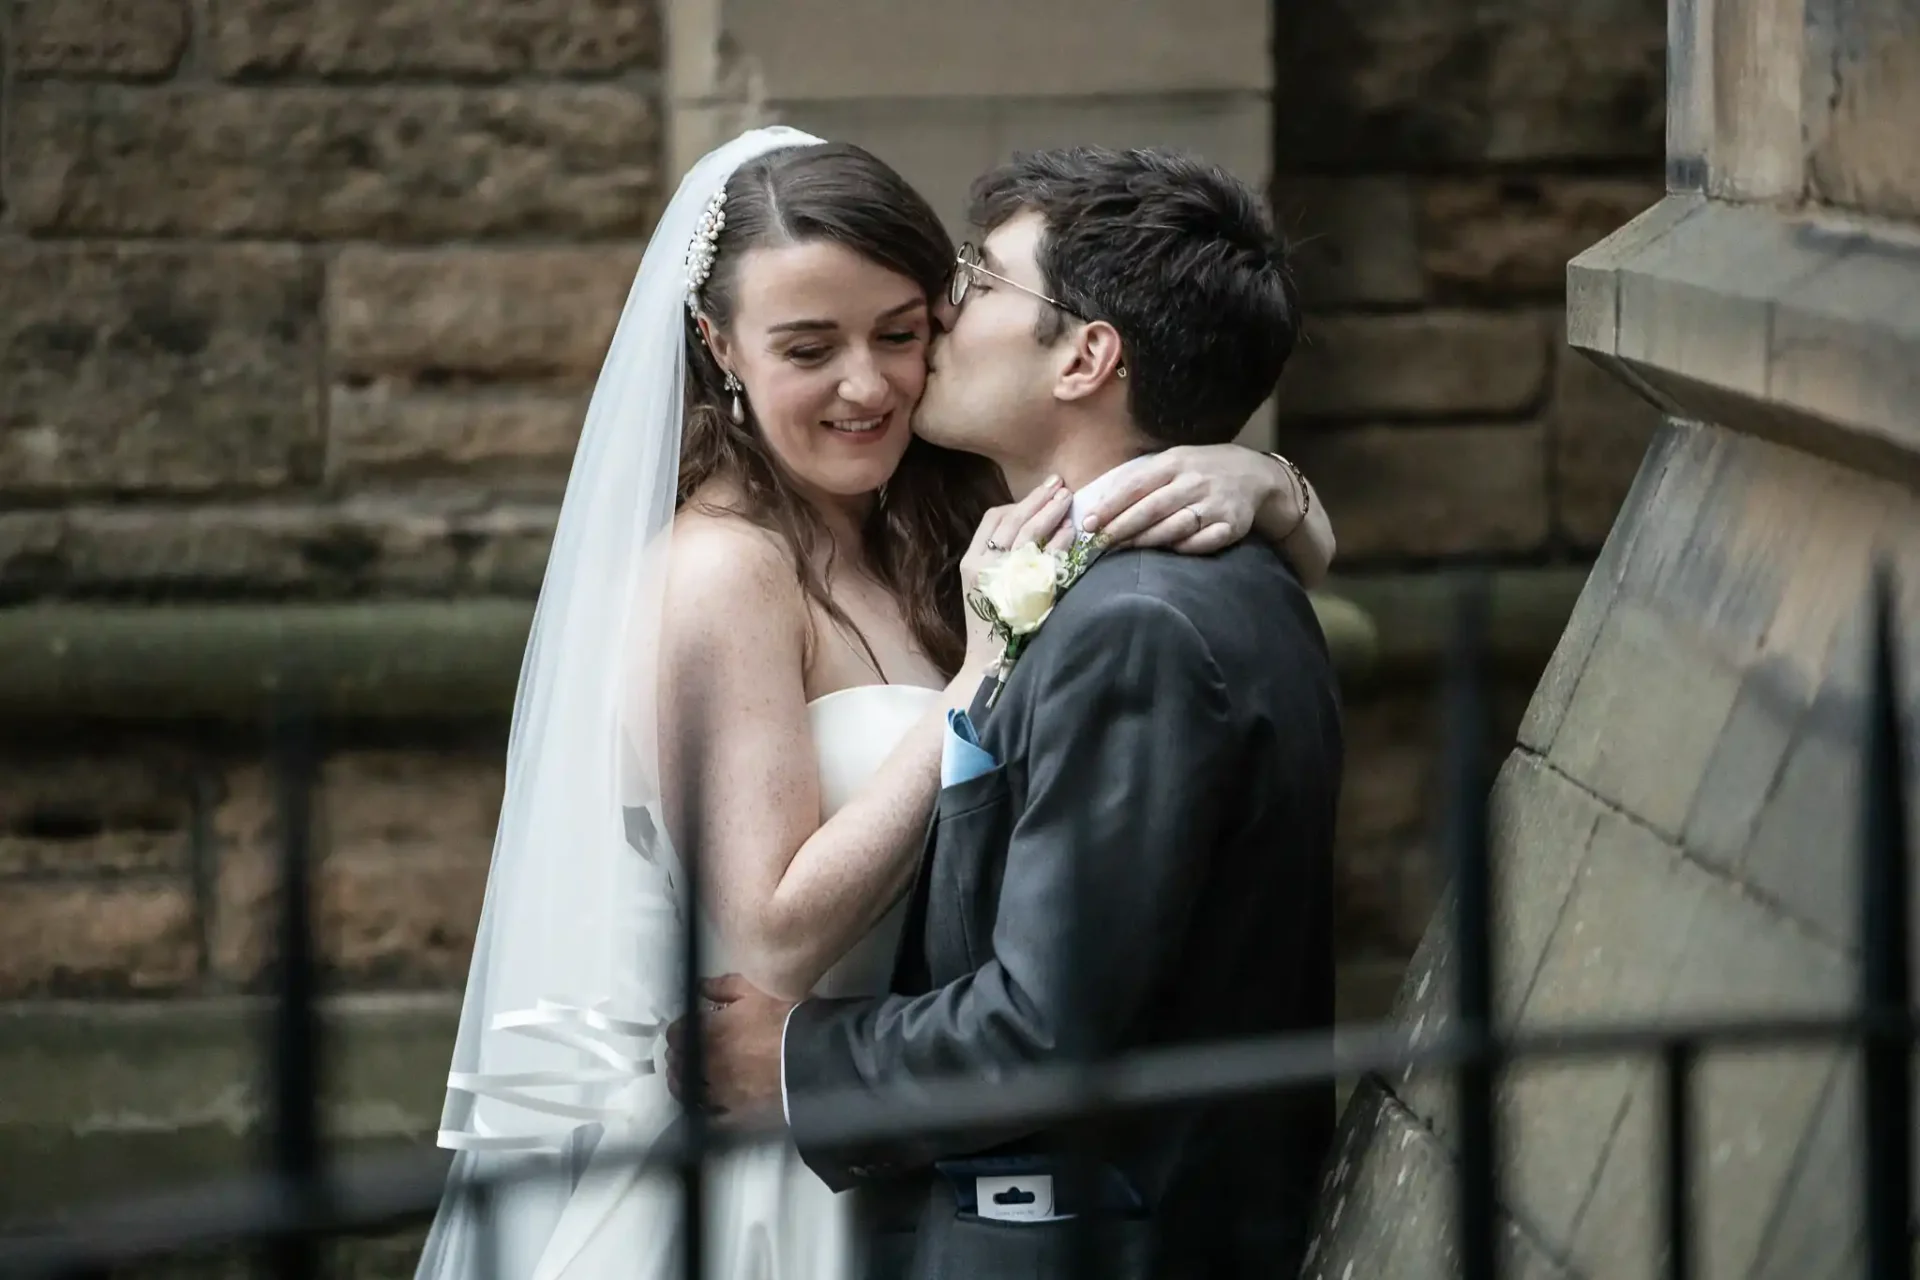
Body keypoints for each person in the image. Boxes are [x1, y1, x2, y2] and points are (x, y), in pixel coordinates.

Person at [416, 127, 1336, 1280]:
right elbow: (773, 931)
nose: (873, 381)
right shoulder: (724, 570)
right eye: (809, 346)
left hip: (929, 1138)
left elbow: (1148, 549)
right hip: (775, 1138)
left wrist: (1267, 481)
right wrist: (973, 674)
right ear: (719, 345)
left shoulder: (952, 507)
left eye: (906, 330)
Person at [683, 146, 1343, 1280]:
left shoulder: (1134, 615)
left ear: (1088, 355)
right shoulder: (1025, 545)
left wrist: (794, 1058)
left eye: (978, 281)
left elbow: (1047, 1017)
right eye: (810, 344)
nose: (943, 314)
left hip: (1077, 1218)